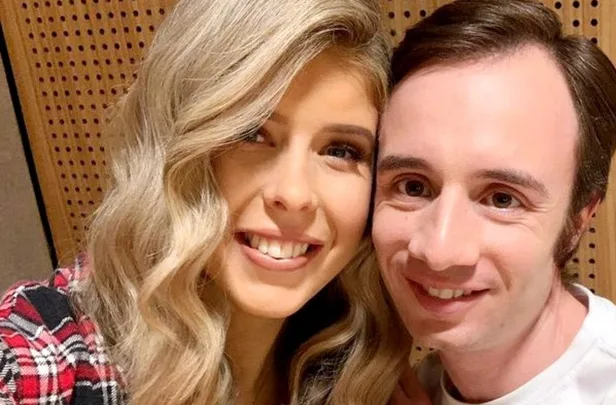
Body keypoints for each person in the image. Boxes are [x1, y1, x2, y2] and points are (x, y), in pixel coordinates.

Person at [0, 0, 409, 404]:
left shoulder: (351, 365)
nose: (295, 194)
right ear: (173, 144)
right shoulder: (48, 355)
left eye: (341, 150)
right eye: (251, 133)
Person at [374, 0, 616, 404]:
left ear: (579, 219)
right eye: (413, 187)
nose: (438, 251)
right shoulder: (420, 382)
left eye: (502, 199)